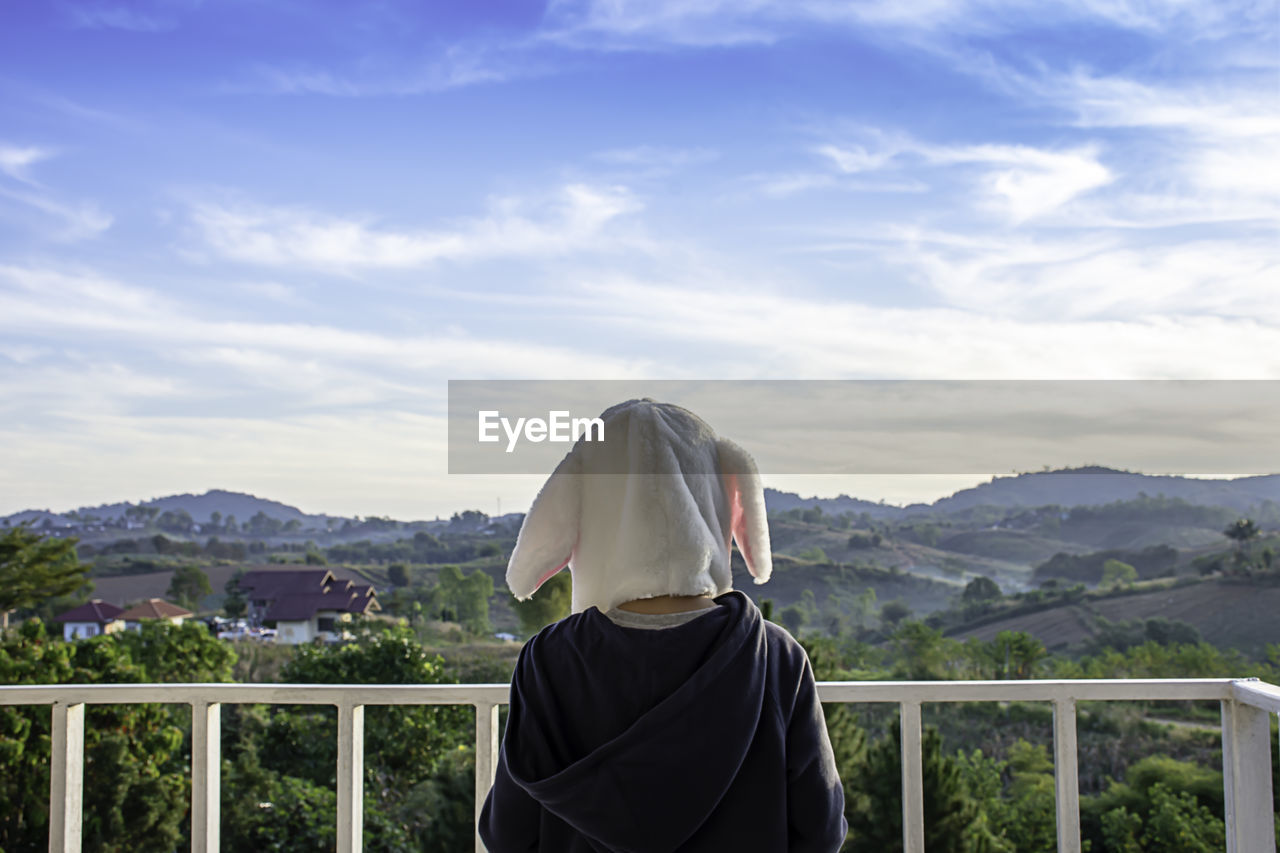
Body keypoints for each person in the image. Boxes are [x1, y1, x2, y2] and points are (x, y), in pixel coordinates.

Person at [479, 399, 847, 852]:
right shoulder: (775, 657)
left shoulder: (549, 659)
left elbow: (507, 834)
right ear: (718, 496)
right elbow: (821, 828)